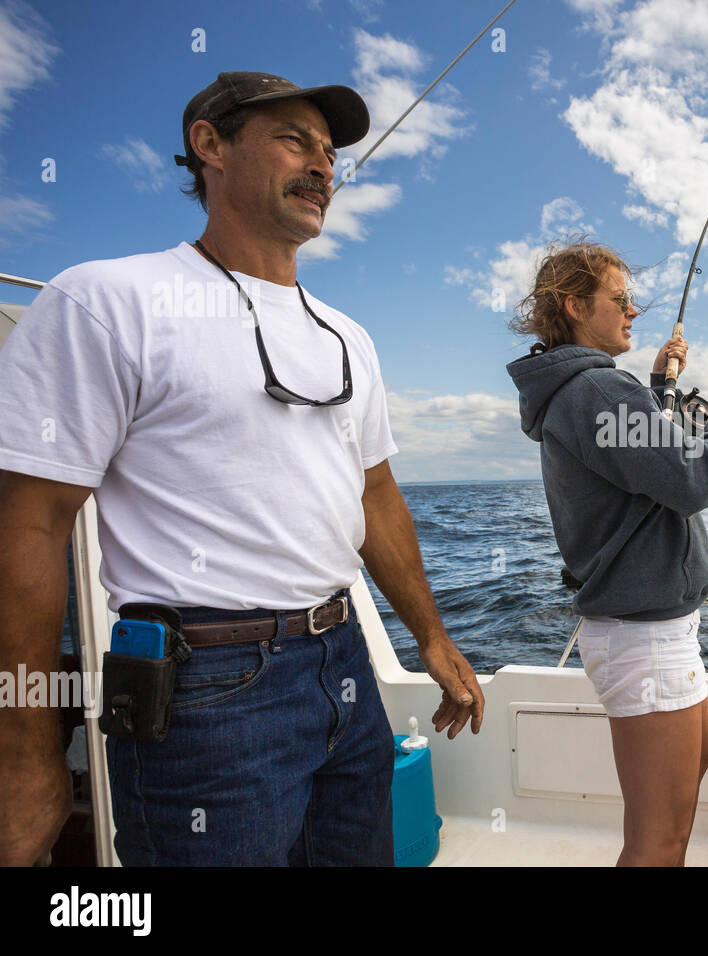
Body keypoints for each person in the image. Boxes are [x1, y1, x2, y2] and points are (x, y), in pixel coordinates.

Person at [0, 71, 483, 867]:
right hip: (205, 693)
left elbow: (377, 494)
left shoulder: (347, 337)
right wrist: (23, 753)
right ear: (210, 145)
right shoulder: (107, 300)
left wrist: (431, 638)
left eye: (331, 154)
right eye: (297, 141)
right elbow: (30, 521)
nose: (324, 167)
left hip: (345, 662)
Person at [506, 242, 708, 865]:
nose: (634, 312)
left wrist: (658, 389)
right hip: (642, 636)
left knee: (697, 762)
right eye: (620, 300)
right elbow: (691, 477)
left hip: (657, 629)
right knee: (657, 841)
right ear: (574, 304)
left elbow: (642, 457)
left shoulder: (594, 392)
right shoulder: (595, 390)